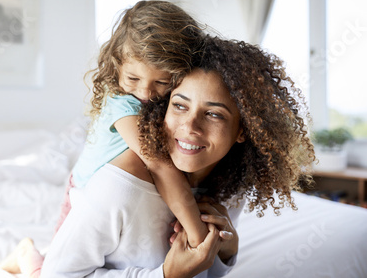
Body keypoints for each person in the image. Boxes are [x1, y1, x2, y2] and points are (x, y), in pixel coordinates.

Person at [40, 34, 316, 277]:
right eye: (180, 106)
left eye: (213, 114)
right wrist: (166, 275)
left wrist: (225, 249)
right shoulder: (119, 185)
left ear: (242, 130)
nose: (190, 127)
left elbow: (204, 272)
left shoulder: (231, 180)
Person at [0, 0, 211, 277]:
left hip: (113, 205)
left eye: (161, 82)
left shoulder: (165, 104)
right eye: (133, 77)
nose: (145, 93)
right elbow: (159, 164)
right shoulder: (121, 103)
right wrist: (198, 236)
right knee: (53, 270)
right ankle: (25, 253)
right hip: (82, 195)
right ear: (117, 64)